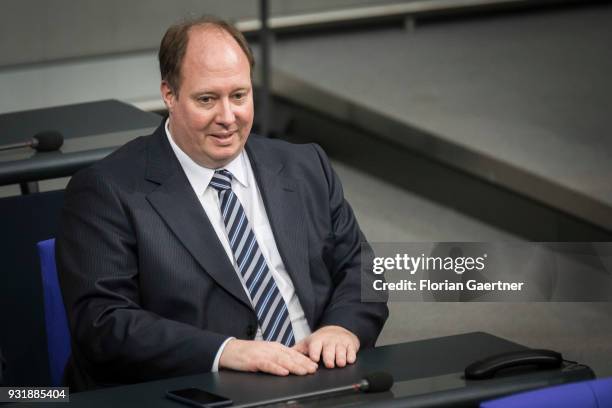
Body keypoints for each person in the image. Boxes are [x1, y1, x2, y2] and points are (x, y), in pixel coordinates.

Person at [57, 16, 388, 391]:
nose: (227, 118)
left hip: (323, 381)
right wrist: (227, 352)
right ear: (169, 95)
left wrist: (341, 327)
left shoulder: (305, 165)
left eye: (239, 96)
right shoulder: (107, 190)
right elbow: (103, 322)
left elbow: (363, 268)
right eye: (207, 99)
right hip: (202, 389)